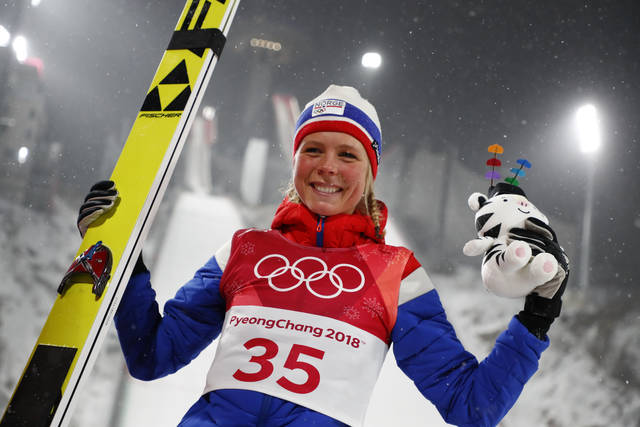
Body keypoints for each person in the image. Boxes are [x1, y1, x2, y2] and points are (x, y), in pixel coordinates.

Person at [78, 85, 569, 427]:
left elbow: (471, 406)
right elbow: (151, 355)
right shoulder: (245, 250)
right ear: (294, 160)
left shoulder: (395, 274)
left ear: (370, 171)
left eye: (348, 154)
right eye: (313, 149)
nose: (327, 167)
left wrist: (538, 315)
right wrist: (126, 259)